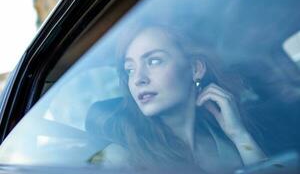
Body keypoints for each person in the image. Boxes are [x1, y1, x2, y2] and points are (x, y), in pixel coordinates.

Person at [88, 26, 266, 173]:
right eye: (130, 70)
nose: (138, 79)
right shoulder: (118, 158)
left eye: (154, 61)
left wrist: (240, 135)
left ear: (195, 69)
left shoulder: (227, 141)